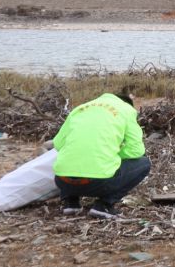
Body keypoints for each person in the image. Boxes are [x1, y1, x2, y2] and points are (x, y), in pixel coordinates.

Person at [52, 91, 151, 219]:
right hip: (99, 184)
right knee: (144, 163)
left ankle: (71, 202)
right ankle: (104, 205)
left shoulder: (79, 109)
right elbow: (136, 151)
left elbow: (58, 144)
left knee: (70, 158)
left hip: (62, 181)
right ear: (128, 104)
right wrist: (113, 155)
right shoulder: (126, 110)